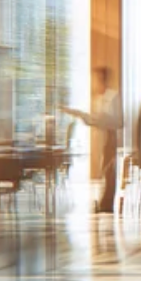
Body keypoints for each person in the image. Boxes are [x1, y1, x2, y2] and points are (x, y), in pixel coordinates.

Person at [61, 67, 122, 214]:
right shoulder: (97, 99)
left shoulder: (113, 97)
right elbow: (93, 120)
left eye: (95, 79)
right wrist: (81, 116)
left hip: (110, 136)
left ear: (103, 79)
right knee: (104, 172)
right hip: (100, 137)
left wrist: (100, 119)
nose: (93, 83)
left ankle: (106, 206)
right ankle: (103, 204)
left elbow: (118, 121)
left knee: (108, 172)